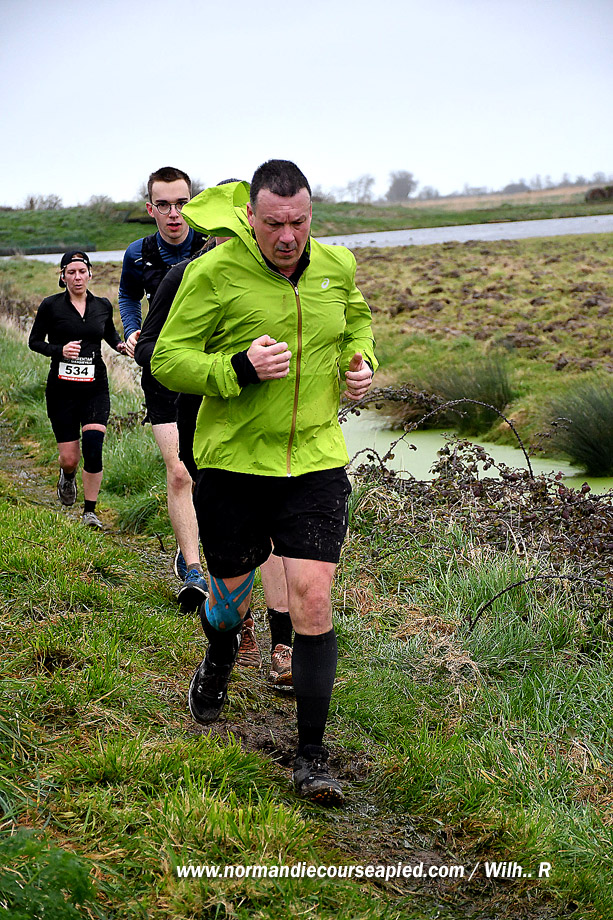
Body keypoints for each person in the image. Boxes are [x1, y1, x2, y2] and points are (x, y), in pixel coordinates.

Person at [152, 161, 377, 805]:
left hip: (315, 460)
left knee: (313, 597)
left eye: (299, 222)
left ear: (311, 215)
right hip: (234, 465)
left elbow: (356, 324)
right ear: (250, 217)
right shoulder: (213, 273)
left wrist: (362, 363)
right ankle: (220, 655)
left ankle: (311, 757)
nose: (288, 237)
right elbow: (167, 359)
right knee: (230, 602)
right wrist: (239, 368)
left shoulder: (337, 265)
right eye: (274, 223)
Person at [134, 193, 293, 679]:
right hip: (204, 425)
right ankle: (238, 625)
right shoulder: (185, 276)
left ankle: (282, 644)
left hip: (268, 425)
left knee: (272, 527)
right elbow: (150, 350)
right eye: (226, 229)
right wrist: (218, 367)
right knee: (233, 533)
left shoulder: (281, 278)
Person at [118, 166, 208, 610]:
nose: (175, 213)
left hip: (208, 371)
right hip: (160, 369)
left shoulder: (212, 243)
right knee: (179, 471)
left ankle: (213, 548)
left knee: (208, 471)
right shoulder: (138, 254)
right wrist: (132, 330)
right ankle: (193, 569)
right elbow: (127, 296)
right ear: (150, 208)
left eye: (182, 203)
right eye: (165, 205)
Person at [28, 250, 127, 528]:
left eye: (82, 271)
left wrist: (121, 346)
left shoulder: (102, 305)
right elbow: (34, 342)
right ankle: (67, 475)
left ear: (90, 274)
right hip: (62, 391)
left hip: (95, 388)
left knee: (94, 447)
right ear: (63, 276)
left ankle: (90, 511)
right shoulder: (51, 306)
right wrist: (59, 350)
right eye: (71, 272)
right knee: (70, 459)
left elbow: (109, 335)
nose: (77, 277)